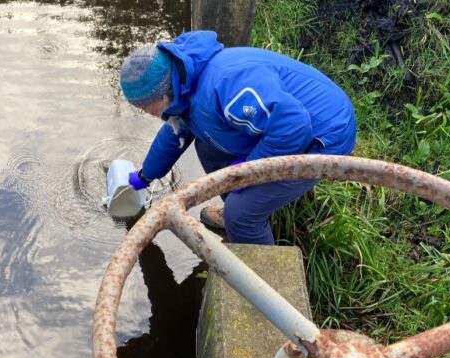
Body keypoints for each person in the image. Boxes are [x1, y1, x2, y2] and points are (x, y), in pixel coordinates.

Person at [120, 31, 356, 245]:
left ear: (161, 95)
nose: (144, 112)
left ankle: (258, 281)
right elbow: (174, 134)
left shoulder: (227, 84)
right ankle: (241, 209)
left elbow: (293, 126)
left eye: (144, 107)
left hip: (324, 134)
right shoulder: (183, 84)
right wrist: (145, 175)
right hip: (287, 123)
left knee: (241, 214)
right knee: (208, 147)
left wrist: (247, 170)